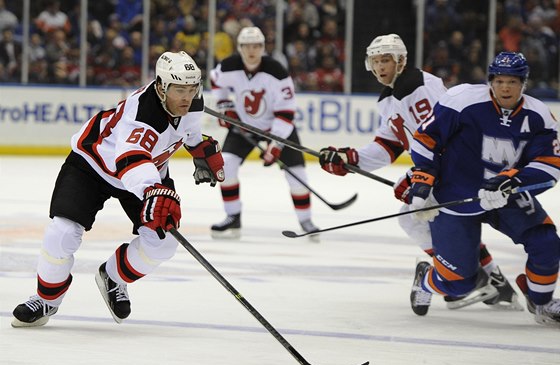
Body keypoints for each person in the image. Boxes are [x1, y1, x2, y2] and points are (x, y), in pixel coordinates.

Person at [11, 51, 225, 327]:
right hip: (94, 164)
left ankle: (113, 277)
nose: (186, 96)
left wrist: (200, 148)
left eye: (192, 88)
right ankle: (46, 299)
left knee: (163, 243)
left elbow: (189, 132)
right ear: (161, 86)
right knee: (62, 232)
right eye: (179, 89)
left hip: (146, 170)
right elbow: (131, 159)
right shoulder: (142, 114)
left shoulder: (192, 102)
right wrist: (153, 191)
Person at [318, 34, 520, 309]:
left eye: (386, 60)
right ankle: (490, 279)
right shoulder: (390, 97)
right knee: (437, 220)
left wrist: (418, 177)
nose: (380, 67)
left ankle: (468, 278)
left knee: (415, 219)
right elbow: (387, 145)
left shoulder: (419, 88)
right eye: (376, 61)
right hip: (445, 171)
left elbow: (444, 138)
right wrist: (349, 159)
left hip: (459, 170)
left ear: (401, 61)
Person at [408, 51, 560, 326]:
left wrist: (512, 181)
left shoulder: (539, 115)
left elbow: (550, 165)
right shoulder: (463, 99)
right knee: (459, 284)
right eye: (500, 80)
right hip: (456, 196)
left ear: (523, 83)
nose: (505, 87)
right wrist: (423, 180)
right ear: (490, 80)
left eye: (513, 82)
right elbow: (425, 138)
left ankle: (541, 301)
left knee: (547, 243)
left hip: (506, 196)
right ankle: (426, 281)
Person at [209, 26, 319, 240]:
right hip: (243, 126)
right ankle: (233, 216)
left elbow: (286, 113)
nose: (252, 50)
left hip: (277, 129)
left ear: (263, 47)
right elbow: (215, 81)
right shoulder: (229, 65)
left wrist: (275, 145)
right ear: (240, 48)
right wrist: (224, 106)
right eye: (247, 46)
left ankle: (306, 220)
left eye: (257, 46)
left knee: (297, 175)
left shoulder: (277, 71)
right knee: (226, 165)